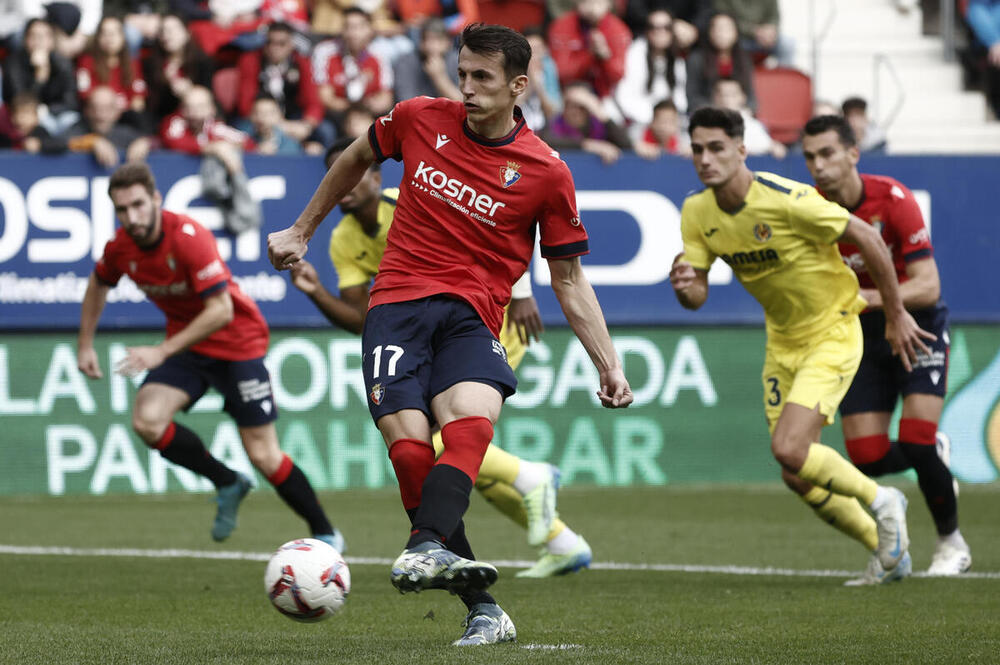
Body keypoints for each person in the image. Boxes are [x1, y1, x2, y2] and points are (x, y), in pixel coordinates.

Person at [268, 24, 632, 646]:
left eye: (482, 78)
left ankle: (426, 545)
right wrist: (301, 229)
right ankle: (484, 607)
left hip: (471, 313)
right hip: (396, 307)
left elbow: (569, 279)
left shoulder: (546, 172)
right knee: (411, 451)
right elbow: (355, 156)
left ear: (519, 86)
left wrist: (609, 362)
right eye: (462, 74)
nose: (465, 88)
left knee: (469, 421)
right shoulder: (416, 118)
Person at [288, 139, 594, 578]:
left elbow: (496, 222)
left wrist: (524, 293)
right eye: (338, 177)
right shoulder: (344, 239)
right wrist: (316, 292)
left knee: (446, 439)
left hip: (486, 320)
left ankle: (529, 478)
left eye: (354, 173)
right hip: (422, 327)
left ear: (376, 176)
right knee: (449, 457)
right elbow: (359, 316)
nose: (349, 184)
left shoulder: (409, 200)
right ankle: (561, 540)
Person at [670, 107, 934, 587]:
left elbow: (867, 236)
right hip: (784, 340)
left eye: (716, 148)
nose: (705, 159)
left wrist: (895, 313)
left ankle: (884, 501)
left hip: (833, 329)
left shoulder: (787, 199)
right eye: (697, 150)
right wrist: (685, 284)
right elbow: (696, 297)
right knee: (796, 470)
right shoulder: (696, 213)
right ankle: (887, 551)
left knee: (790, 447)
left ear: (741, 150)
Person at [76, 163, 346, 553]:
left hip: (237, 343)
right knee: (148, 421)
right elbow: (99, 282)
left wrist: (161, 351)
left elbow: (221, 311)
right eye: (122, 210)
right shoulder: (121, 248)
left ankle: (325, 533)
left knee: (264, 454)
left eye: (138, 205)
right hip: (190, 347)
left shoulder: (187, 237)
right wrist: (85, 344)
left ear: (155, 199)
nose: (131, 217)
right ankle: (227, 481)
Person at [801, 114, 972, 578]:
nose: (819, 166)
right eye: (810, 157)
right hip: (859, 334)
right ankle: (933, 452)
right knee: (868, 456)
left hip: (916, 323)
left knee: (914, 438)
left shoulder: (893, 200)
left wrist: (872, 298)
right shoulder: (810, 211)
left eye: (828, 154)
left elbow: (929, 285)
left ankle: (951, 545)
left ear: (853, 154)